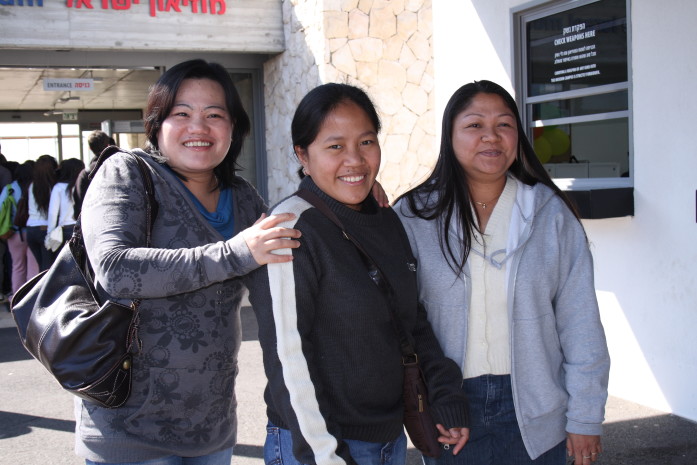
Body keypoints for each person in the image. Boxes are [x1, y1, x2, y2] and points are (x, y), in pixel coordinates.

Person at [76, 59, 302, 465]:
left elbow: (283, 280)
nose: (198, 127)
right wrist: (236, 252)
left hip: (211, 428)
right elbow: (115, 269)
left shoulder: (244, 197)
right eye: (182, 114)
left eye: (214, 114)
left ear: (233, 128)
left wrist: (346, 203)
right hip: (128, 430)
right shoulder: (126, 172)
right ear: (156, 124)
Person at [244, 83, 470, 465]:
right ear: (303, 154)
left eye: (366, 142)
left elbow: (411, 322)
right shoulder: (290, 231)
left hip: (387, 439)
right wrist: (324, 454)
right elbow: (288, 360)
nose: (355, 160)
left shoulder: (386, 221)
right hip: (317, 445)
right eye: (335, 147)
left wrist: (446, 400)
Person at [394, 80, 611, 465]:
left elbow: (581, 324)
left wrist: (585, 417)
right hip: (451, 408)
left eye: (504, 125)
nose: (490, 137)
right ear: (450, 134)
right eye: (474, 125)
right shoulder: (415, 215)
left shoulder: (550, 214)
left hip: (538, 405)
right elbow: (402, 317)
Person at [0, 161, 39, 298]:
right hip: (32, 231)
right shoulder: (35, 187)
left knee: (18, 266)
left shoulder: (9, 189)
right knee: (33, 268)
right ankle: (32, 298)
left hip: (14, 233)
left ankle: (17, 298)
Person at [25, 154, 58, 271]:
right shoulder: (52, 187)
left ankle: (41, 288)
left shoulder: (32, 185)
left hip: (30, 229)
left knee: (41, 268)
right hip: (44, 229)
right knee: (48, 268)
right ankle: (46, 289)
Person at [45, 157, 84, 252]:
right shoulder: (84, 185)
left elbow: (53, 213)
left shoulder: (59, 187)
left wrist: (50, 233)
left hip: (65, 230)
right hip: (83, 228)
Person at [73, 130, 116, 215]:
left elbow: (79, 203)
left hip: (93, 219)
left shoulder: (85, 173)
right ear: (108, 145)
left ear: (90, 148)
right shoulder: (120, 167)